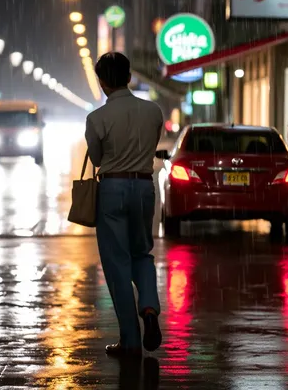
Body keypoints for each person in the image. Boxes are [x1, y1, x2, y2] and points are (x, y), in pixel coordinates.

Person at [85, 52, 163, 358]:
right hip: (144, 186)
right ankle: (150, 309)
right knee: (142, 254)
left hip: (113, 188)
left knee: (117, 262)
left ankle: (130, 340)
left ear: (103, 82)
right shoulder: (153, 111)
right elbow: (152, 146)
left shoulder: (97, 119)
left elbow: (97, 159)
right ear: (129, 77)